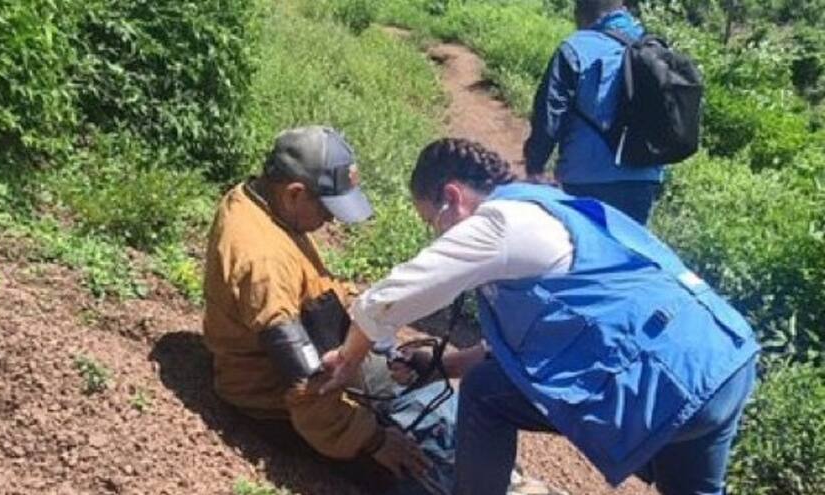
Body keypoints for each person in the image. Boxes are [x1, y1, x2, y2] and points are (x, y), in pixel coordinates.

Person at [322, 138, 760, 495]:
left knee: (484, 395)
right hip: (722, 363)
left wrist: (348, 360)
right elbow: (530, 345)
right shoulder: (551, 206)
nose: (437, 235)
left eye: (432, 222)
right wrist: (442, 365)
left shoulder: (499, 222)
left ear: (452, 197)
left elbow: (391, 297)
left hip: (668, 382)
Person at [202, 126, 434, 488]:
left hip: (318, 346)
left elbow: (309, 285)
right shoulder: (264, 263)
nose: (331, 221)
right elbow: (306, 386)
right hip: (276, 403)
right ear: (295, 193)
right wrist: (373, 440)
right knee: (410, 475)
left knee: (423, 399)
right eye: (327, 211)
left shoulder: (259, 201)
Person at [524, 0, 665, 225]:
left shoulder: (574, 48)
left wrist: (535, 167)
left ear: (580, 12)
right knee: (627, 252)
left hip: (585, 177)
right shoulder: (653, 49)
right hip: (643, 180)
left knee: (586, 251)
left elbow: (549, 116)